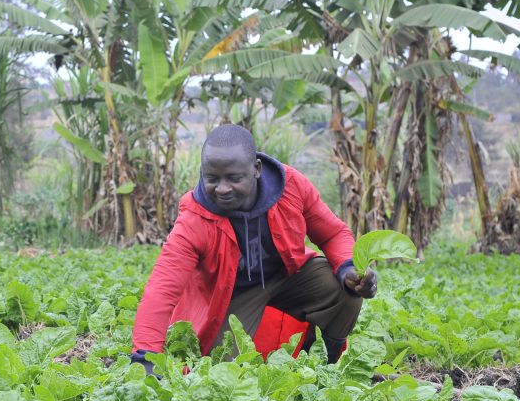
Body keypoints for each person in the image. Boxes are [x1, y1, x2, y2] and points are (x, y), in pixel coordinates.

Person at [131, 124, 377, 372]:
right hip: (231, 296)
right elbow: (162, 290)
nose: (223, 188)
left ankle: (328, 367)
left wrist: (348, 269)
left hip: (287, 276)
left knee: (343, 289)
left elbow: (333, 233)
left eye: (234, 178)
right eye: (212, 179)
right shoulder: (194, 219)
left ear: (256, 169)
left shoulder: (291, 186)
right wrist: (146, 356)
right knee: (221, 372)